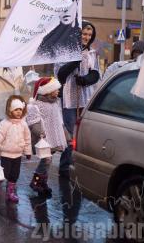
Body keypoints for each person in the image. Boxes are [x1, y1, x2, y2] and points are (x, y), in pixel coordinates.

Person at [55, 20, 100, 178]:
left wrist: (86, 79)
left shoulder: (92, 53)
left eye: (89, 34)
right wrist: (74, 60)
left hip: (85, 100)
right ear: (78, 34)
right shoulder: (65, 51)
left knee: (80, 134)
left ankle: (72, 164)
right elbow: (60, 75)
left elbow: (95, 74)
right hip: (68, 99)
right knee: (71, 134)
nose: (86, 37)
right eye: (84, 34)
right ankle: (65, 166)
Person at [27, 77, 66, 196]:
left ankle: (43, 182)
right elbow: (34, 121)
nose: (58, 91)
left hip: (53, 138)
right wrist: (40, 133)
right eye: (55, 89)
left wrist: (66, 136)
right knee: (47, 160)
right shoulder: (38, 105)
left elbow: (59, 121)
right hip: (43, 138)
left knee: (48, 160)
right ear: (47, 90)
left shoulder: (55, 103)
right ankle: (36, 181)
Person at [0, 95, 32, 203]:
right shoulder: (4, 124)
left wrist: (27, 152)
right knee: (5, 173)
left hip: (17, 154)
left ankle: (10, 192)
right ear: (10, 110)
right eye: (16, 110)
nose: (18, 112)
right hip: (6, 154)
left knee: (14, 174)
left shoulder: (23, 124)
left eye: (20, 110)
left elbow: (27, 139)